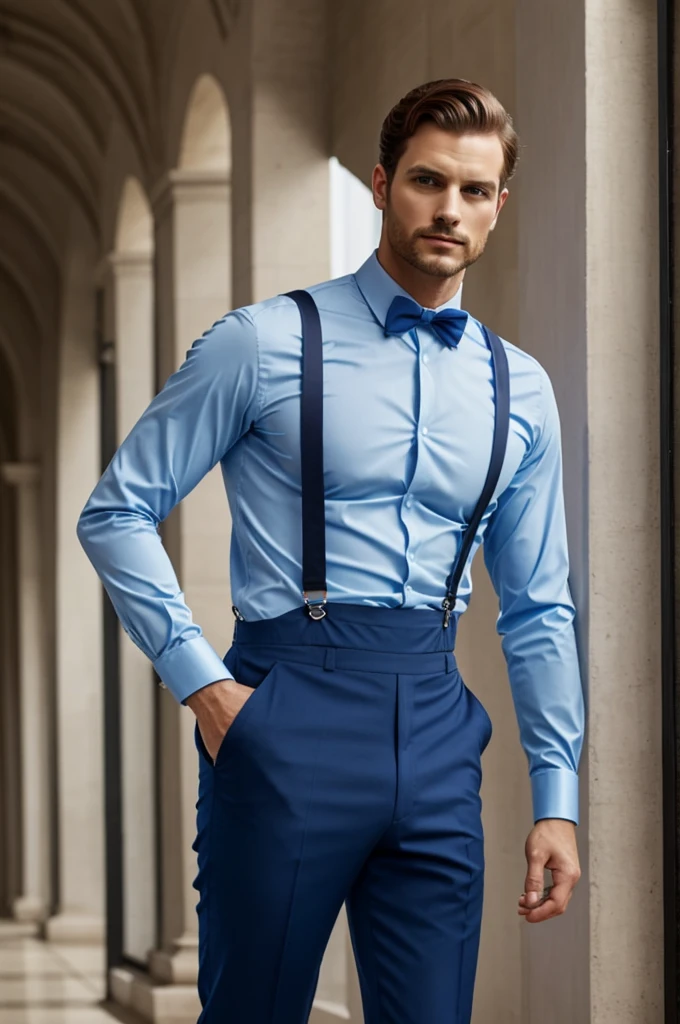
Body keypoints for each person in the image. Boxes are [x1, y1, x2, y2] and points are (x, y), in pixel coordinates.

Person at [77, 78, 585, 1024]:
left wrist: (556, 796)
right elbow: (115, 512)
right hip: (285, 707)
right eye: (428, 181)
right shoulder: (260, 342)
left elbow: (539, 606)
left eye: (475, 191)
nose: (449, 209)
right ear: (384, 183)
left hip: (437, 725)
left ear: (499, 206)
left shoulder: (521, 388)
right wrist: (207, 687)